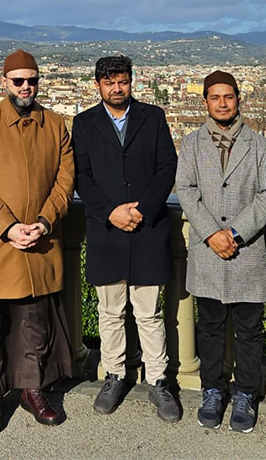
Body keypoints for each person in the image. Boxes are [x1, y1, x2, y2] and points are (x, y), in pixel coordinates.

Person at [0, 49, 75, 434]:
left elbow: (65, 180)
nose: (26, 87)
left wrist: (44, 222)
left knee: (34, 321)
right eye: (18, 81)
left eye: (32, 80)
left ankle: (32, 389)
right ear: (4, 82)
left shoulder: (56, 124)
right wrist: (9, 227)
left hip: (40, 241)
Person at [72, 55, 181, 422]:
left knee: (149, 313)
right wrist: (110, 212)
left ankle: (158, 380)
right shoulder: (84, 123)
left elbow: (168, 166)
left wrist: (142, 209)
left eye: (122, 81)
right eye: (109, 83)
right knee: (111, 310)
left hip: (147, 228)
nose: (116, 88)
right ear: (97, 86)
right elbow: (82, 176)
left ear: (132, 82)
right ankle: (114, 374)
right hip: (107, 231)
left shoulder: (155, 117)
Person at [176, 70, 266, 433]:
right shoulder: (191, 144)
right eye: (215, 97)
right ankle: (213, 389)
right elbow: (185, 190)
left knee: (249, 328)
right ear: (205, 101)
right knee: (211, 326)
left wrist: (233, 232)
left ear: (238, 100)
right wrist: (211, 233)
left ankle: (245, 393)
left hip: (245, 249)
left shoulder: (259, 145)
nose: (221, 103)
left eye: (228, 97)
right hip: (207, 250)